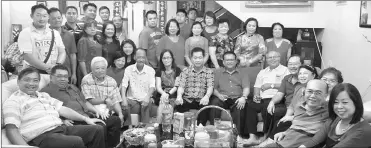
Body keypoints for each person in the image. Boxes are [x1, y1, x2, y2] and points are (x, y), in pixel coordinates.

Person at [3, 67, 105, 148]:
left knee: (97, 129)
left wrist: (86, 119)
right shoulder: (14, 101)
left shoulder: (43, 95)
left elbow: (63, 109)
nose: (31, 84)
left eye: (35, 80)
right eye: (27, 80)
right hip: (41, 137)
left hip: (60, 129)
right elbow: (11, 128)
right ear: (18, 82)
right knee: (76, 141)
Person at [41, 64, 122, 148]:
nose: (63, 79)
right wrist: (62, 121)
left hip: (88, 115)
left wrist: (96, 111)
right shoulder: (45, 92)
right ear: (51, 77)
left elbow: (85, 102)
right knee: (100, 127)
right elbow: (47, 112)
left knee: (115, 120)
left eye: (65, 76)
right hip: (74, 121)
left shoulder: (72, 87)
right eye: (59, 76)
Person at [299, 83, 371, 148]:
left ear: (356, 103)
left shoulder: (362, 132)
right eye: (335, 102)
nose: (339, 106)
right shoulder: (334, 120)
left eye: (345, 102)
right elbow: (315, 141)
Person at [264, 80, 329, 148]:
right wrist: (284, 133)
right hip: (284, 143)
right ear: (304, 92)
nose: (313, 95)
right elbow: (296, 127)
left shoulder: (329, 111)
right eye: (309, 91)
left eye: (318, 93)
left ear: (326, 95)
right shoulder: (299, 107)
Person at [243, 51, 289, 145]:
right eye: (269, 58)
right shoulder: (262, 72)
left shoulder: (285, 70)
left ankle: (266, 136)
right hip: (262, 99)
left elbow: (287, 85)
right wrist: (256, 96)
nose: (272, 59)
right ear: (266, 60)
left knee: (267, 108)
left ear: (279, 57)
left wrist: (271, 85)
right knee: (249, 105)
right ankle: (252, 137)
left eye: (274, 57)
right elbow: (257, 87)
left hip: (276, 98)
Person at [18, 4, 66, 74]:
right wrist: (46, 67)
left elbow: (62, 52)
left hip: (53, 73)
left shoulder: (55, 33)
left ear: (48, 17)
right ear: (31, 16)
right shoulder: (25, 33)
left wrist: (57, 66)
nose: (41, 19)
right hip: (33, 73)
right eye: (38, 15)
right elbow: (27, 56)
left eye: (44, 16)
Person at [210, 51, 250, 134]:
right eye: (227, 60)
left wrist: (243, 97)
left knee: (240, 107)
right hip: (222, 98)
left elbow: (246, 88)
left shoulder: (243, 73)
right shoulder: (217, 72)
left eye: (232, 60)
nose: (229, 62)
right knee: (214, 102)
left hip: (237, 98)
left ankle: (237, 135)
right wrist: (218, 95)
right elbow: (213, 88)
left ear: (236, 61)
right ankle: (213, 131)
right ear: (223, 62)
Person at [265, 55, 302, 138]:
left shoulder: (304, 79)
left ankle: (272, 139)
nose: (292, 66)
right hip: (287, 106)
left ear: (301, 65)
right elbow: (279, 94)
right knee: (272, 110)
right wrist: (272, 102)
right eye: (290, 64)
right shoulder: (286, 78)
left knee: (281, 118)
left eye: (295, 64)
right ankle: (267, 136)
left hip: (299, 108)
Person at [175, 47, 214, 125]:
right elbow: (181, 86)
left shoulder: (209, 71)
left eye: (200, 58)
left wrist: (207, 96)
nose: (198, 60)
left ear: (203, 58)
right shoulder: (185, 71)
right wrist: (179, 96)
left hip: (201, 100)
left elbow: (210, 87)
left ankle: (200, 129)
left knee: (205, 108)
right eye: (195, 58)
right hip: (187, 99)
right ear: (191, 59)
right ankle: (183, 131)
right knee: (179, 105)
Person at [121, 48, 156, 123]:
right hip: (131, 99)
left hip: (145, 98)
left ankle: (144, 128)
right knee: (125, 102)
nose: (141, 59)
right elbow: (124, 85)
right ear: (134, 57)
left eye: (143, 57)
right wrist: (123, 98)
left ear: (145, 58)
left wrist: (147, 97)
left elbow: (152, 86)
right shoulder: (128, 69)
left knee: (147, 103)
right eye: (139, 57)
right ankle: (130, 130)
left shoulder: (150, 70)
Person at [48, 7, 78, 85]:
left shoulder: (69, 35)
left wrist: (74, 73)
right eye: (53, 18)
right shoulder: (44, 35)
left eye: (59, 18)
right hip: (49, 72)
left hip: (66, 72)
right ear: (48, 20)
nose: (57, 20)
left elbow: (72, 55)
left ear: (62, 18)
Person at [77, 21, 103, 86]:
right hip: (87, 70)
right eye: (90, 27)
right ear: (85, 29)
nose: (93, 29)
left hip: (97, 70)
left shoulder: (97, 40)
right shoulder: (83, 40)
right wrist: (86, 75)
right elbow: (81, 60)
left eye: (94, 27)